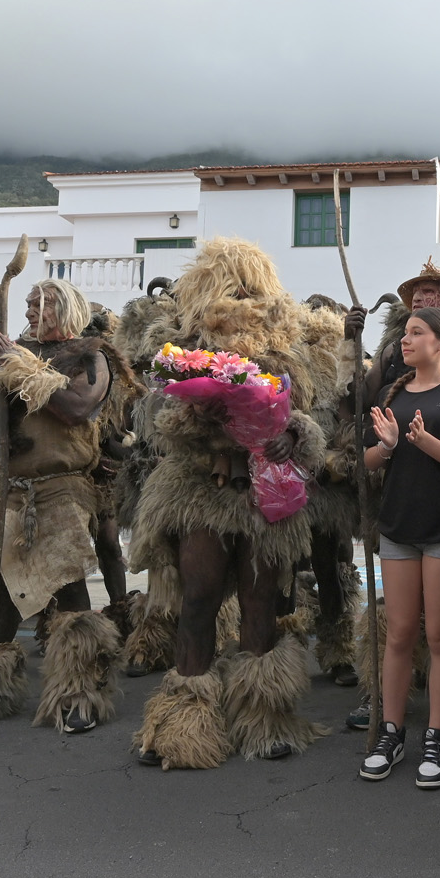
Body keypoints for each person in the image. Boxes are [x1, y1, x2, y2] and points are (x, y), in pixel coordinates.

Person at [130, 238, 336, 769]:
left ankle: (263, 720)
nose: (241, 298)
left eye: (250, 287)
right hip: (202, 493)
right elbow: (155, 418)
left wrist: (295, 435)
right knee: (196, 599)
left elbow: (310, 412)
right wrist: (198, 415)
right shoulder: (180, 344)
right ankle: (184, 723)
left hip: (264, 496)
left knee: (260, 602)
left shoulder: (289, 346)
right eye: (229, 287)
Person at [0, 279, 136, 733]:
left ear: (68, 309)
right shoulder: (13, 348)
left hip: (60, 487)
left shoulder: (90, 356)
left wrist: (17, 364)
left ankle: (78, 691)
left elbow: (77, 408)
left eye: (42, 304)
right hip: (5, 486)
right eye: (27, 304)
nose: (30, 312)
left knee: (66, 586)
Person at [360, 306, 440, 788]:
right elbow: (369, 463)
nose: (404, 341)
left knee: (439, 635)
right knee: (397, 635)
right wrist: (390, 445)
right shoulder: (392, 395)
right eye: (404, 334)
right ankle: (391, 733)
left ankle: (436, 736)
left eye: (417, 333)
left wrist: (426, 442)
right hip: (397, 528)